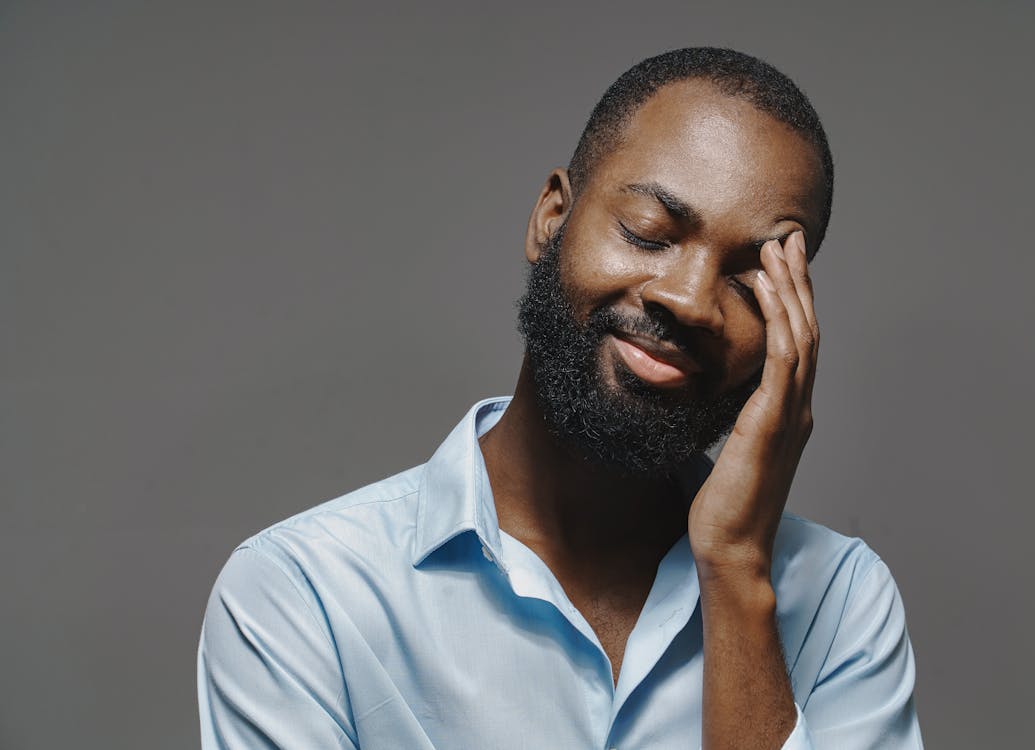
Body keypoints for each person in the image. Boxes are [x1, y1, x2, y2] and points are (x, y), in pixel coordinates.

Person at [198, 47, 923, 749]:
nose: (691, 300)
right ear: (551, 218)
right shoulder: (304, 595)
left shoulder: (839, 603)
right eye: (648, 233)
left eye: (749, 281)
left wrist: (734, 567)